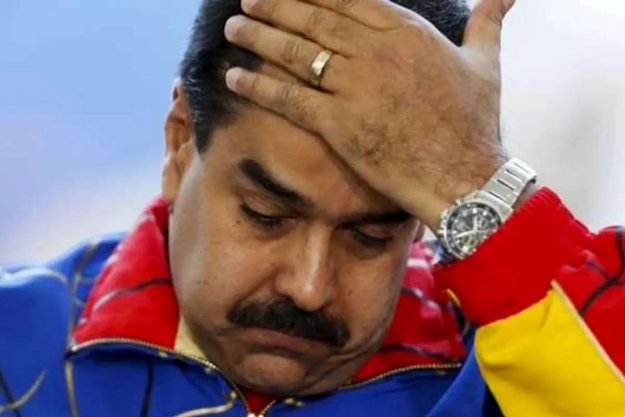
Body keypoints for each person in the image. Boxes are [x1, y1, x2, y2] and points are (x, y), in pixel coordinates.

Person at [1, 0, 623, 415]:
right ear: (180, 143)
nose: (308, 287)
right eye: (266, 215)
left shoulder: (492, 378)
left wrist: (470, 174)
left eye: (369, 236)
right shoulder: (13, 347)